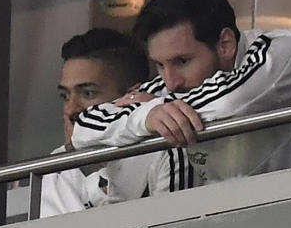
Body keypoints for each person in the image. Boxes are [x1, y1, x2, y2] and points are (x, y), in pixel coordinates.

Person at [71, 0, 291, 184]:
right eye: (159, 65)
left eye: (182, 61)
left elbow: (227, 103)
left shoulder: (286, 50)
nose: (170, 81)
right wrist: (147, 115)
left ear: (225, 44)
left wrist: (152, 110)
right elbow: (82, 132)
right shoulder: (174, 87)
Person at [39, 28, 188, 217]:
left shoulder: (164, 148)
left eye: (88, 93)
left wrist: (97, 179)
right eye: (65, 96)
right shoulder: (55, 165)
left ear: (131, 97)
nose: (70, 110)